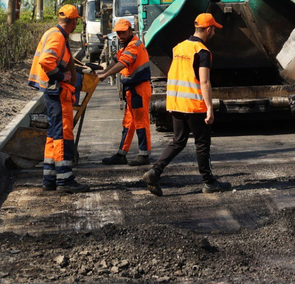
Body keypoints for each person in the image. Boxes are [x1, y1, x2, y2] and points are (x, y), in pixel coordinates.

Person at [142, 13, 231, 196]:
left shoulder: (178, 47)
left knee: (178, 141)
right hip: (193, 103)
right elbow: (204, 82)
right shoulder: (202, 51)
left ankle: (155, 171)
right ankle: (208, 182)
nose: (214, 32)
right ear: (207, 29)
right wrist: (209, 108)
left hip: (176, 101)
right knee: (202, 142)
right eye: (213, 29)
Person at [28, 5, 90, 193]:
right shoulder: (57, 36)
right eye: (76, 22)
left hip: (52, 91)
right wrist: (62, 76)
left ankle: (50, 178)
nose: (75, 26)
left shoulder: (53, 33)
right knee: (63, 134)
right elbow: (46, 60)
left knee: (53, 135)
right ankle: (64, 179)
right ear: (73, 22)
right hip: (58, 91)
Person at [98, 19, 153, 166]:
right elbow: (117, 60)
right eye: (118, 33)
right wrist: (104, 71)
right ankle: (121, 154)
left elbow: (123, 63)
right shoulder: (126, 46)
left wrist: (106, 74)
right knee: (128, 123)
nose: (120, 35)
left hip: (139, 88)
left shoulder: (133, 46)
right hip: (132, 90)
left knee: (141, 122)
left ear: (130, 31)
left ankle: (144, 154)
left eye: (123, 32)